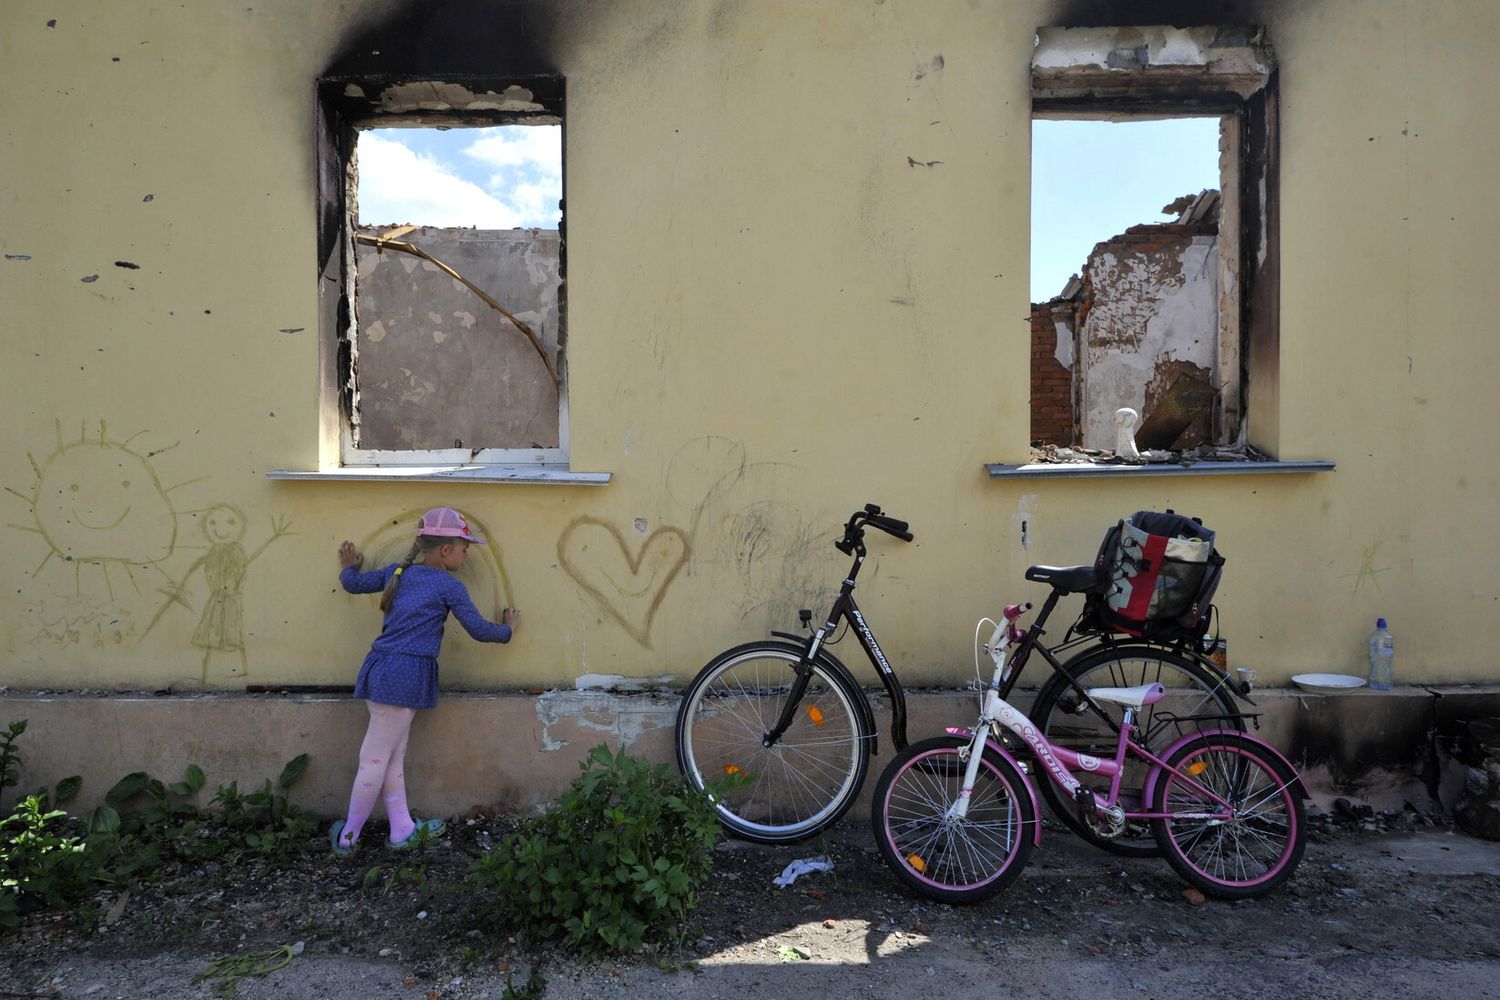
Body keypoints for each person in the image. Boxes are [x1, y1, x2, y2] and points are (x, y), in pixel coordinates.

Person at [330, 507, 520, 855]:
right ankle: (348, 838)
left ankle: (402, 828)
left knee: (390, 758)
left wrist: (348, 568)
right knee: (374, 760)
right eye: (464, 547)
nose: (467, 554)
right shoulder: (449, 587)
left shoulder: (397, 573)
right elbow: (479, 630)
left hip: (380, 669)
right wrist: (507, 631)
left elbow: (354, 584)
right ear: (445, 550)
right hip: (405, 679)